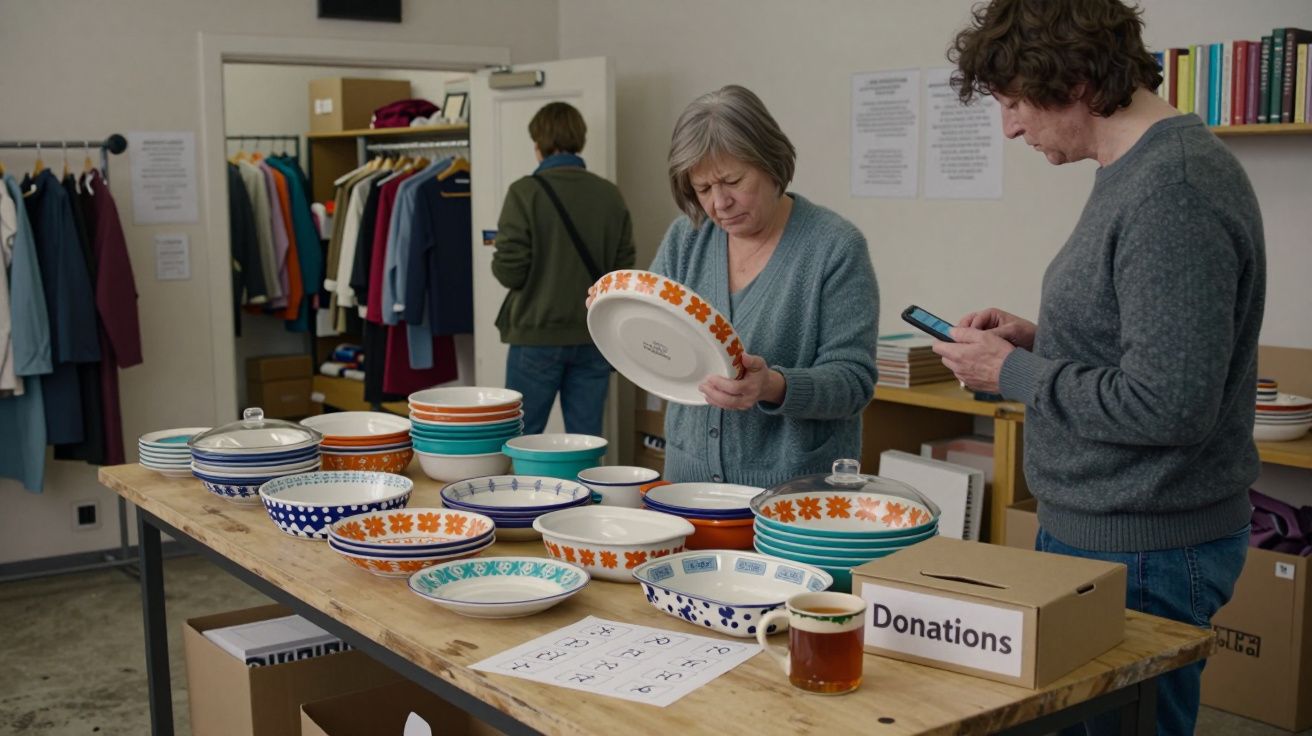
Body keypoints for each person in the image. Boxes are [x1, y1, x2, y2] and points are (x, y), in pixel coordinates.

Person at [938, 1, 1265, 733]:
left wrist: (1013, 375)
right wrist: (1040, 339)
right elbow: (1145, 339)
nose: (1011, 126)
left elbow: (1171, 405)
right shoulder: (1136, 172)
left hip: (1146, 546)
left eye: (1016, 102)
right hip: (1104, 529)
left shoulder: (1173, 185)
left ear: (1077, 79)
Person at [649, 85, 879, 488]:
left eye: (732, 181)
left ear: (772, 164)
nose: (719, 203)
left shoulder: (834, 247)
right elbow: (655, 337)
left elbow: (853, 382)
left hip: (792, 496)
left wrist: (774, 385)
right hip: (689, 488)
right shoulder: (686, 239)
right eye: (703, 189)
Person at [492, 102, 635, 436]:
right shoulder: (609, 195)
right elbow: (623, 273)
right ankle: (586, 491)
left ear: (538, 145)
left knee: (520, 441)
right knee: (586, 444)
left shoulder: (524, 193)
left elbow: (510, 272)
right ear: (579, 140)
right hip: (594, 336)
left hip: (536, 337)